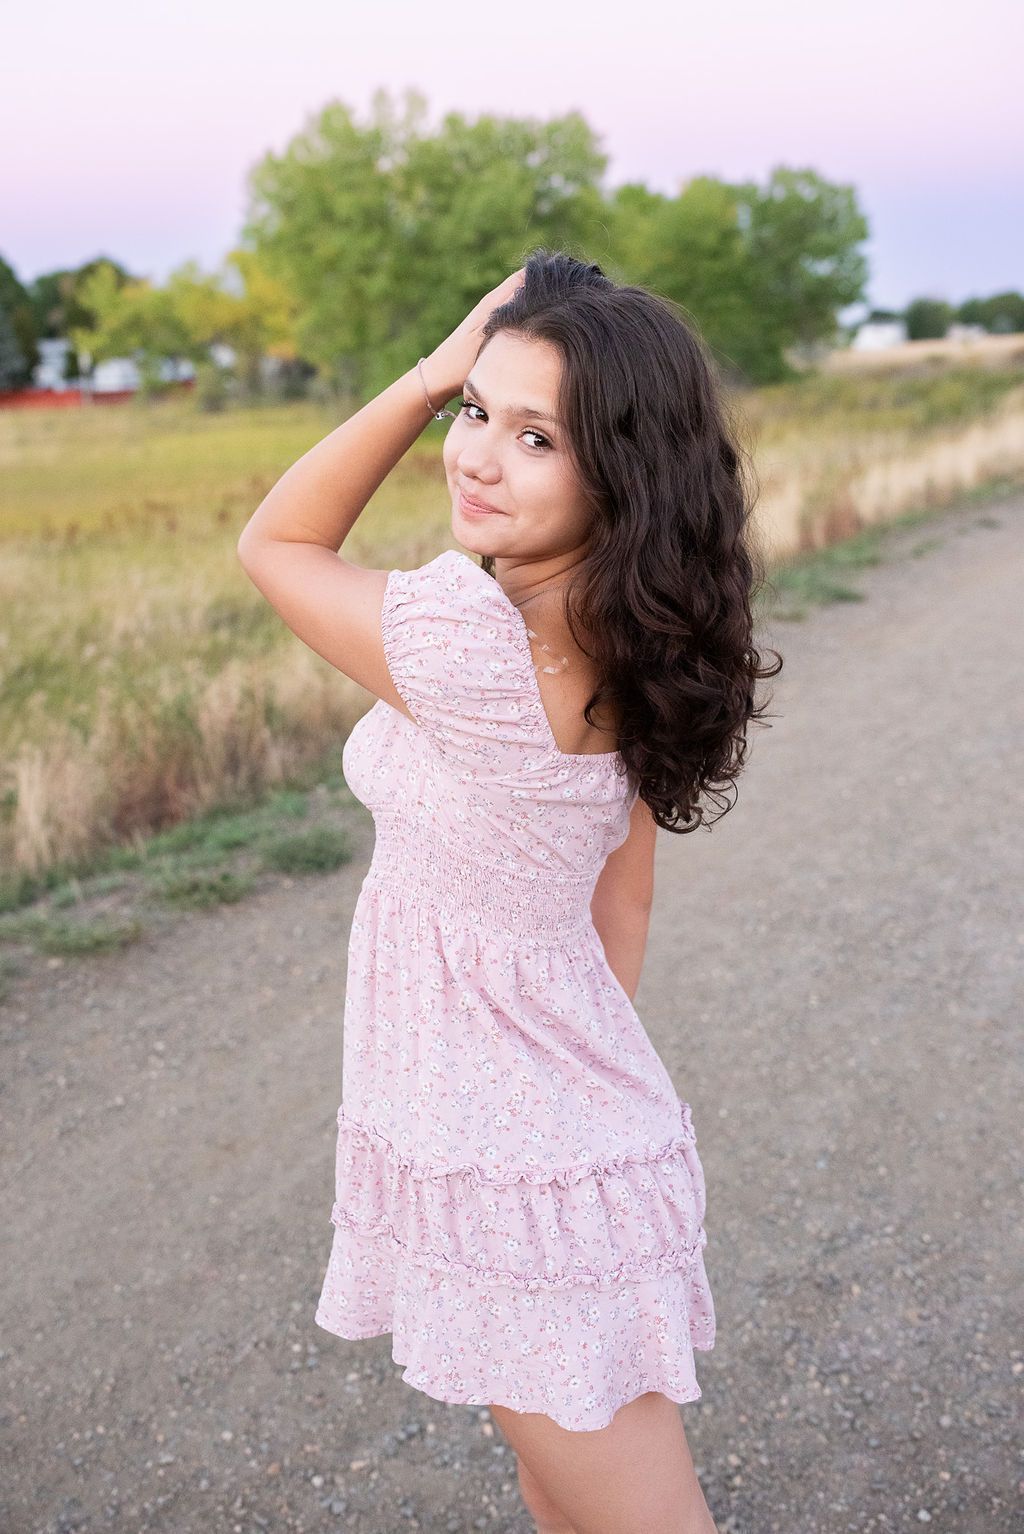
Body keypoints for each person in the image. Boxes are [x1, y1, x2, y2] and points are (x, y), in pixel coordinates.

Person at [237, 248, 782, 1534]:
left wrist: (431, 368)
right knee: (562, 1505)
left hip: (526, 1181)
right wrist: (560, 1081)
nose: (474, 455)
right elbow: (621, 906)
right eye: (475, 411)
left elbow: (276, 540)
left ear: (622, 472)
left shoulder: (470, 650)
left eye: (534, 436)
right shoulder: (635, 639)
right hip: (547, 1149)